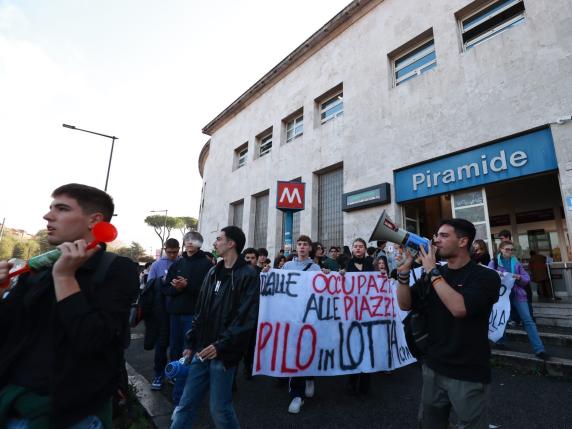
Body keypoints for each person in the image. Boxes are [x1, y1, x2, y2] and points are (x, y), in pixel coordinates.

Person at [0, 183, 139, 428]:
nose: (48, 215)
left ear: (94, 221)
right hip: (13, 402)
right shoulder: (36, 270)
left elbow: (95, 340)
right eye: (50, 207)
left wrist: (65, 278)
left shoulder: (116, 268)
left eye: (61, 209)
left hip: (71, 414)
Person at [396, 218, 501, 429]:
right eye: (436, 236)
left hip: (468, 371)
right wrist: (404, 272)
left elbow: (459, 308)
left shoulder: (485, 277)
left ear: (463, 241)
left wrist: (432, 271)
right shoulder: (436, 274)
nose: (436, 240)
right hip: (433, 366)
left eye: (444, 236)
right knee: (430, 423)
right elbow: (405, 304)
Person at [171, 226, 260, 429]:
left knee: (220, 409)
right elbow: (201, 310)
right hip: (201, 350)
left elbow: (246, 318)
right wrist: (191, 341)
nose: (214, 243)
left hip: (223, 354)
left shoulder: (248, 275)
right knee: (185, 404)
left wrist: (221, 345)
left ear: (231, 244)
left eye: (219, 239)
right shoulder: (212, 272)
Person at [163, 231, 212, 404]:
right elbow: (165, 289)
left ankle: (183, 394)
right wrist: (176, 288)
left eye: (194, 240)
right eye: (187, 239)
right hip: (175, 314)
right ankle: (176, 380)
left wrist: (187, 286)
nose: (190, 242)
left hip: (194, 315)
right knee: (175, 349)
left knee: (189, 352)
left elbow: (207, 293)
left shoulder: (206, 265)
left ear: (199, 243)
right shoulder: (177, 263)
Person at [488, 241, 549, 359]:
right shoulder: (494, 262)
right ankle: (500, 342)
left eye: (512, 249)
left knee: (528, 320)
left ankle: (539, 350)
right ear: (500, 249)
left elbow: (527, 278)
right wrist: (498, 276)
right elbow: (488, 277)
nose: (510, 252)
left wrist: (520, 277)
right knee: (502, 318)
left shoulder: (516, 262)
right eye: (507, 249)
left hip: (518, 294)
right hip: (502, 295)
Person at [282, 235, 322, 414]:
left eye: (305, 244)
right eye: (299, 244)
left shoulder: (316, 268)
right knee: (294, 352)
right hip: (292, 316)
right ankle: (296, 395)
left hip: (310, 316)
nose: (302, 247)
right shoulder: (287, 266)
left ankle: (310, 377)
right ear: (295, 247)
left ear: (310, 248)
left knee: (308, 349)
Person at [144, 238, 180, 391]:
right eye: (169, 252)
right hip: (161, 310)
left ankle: (174, 373)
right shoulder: (157, 265)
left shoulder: (183, 262)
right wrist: (163, 280)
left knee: (177, 345)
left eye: (175, 252)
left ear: (179, 249)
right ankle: (158, 374)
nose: (172, 255)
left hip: (178, 309)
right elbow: (149, 286)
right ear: (165, 249)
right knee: (161, 343)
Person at [343, 238, 375, 396]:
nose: (358, 249)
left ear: (365, 249)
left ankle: (365, 385)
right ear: (352, 249)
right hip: (352, 314)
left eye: (360, 246)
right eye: (355, 246)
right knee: (354, 347)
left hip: (369, 313)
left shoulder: (371, 265)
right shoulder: (347, 266)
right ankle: (352, 379)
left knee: (367, 347)